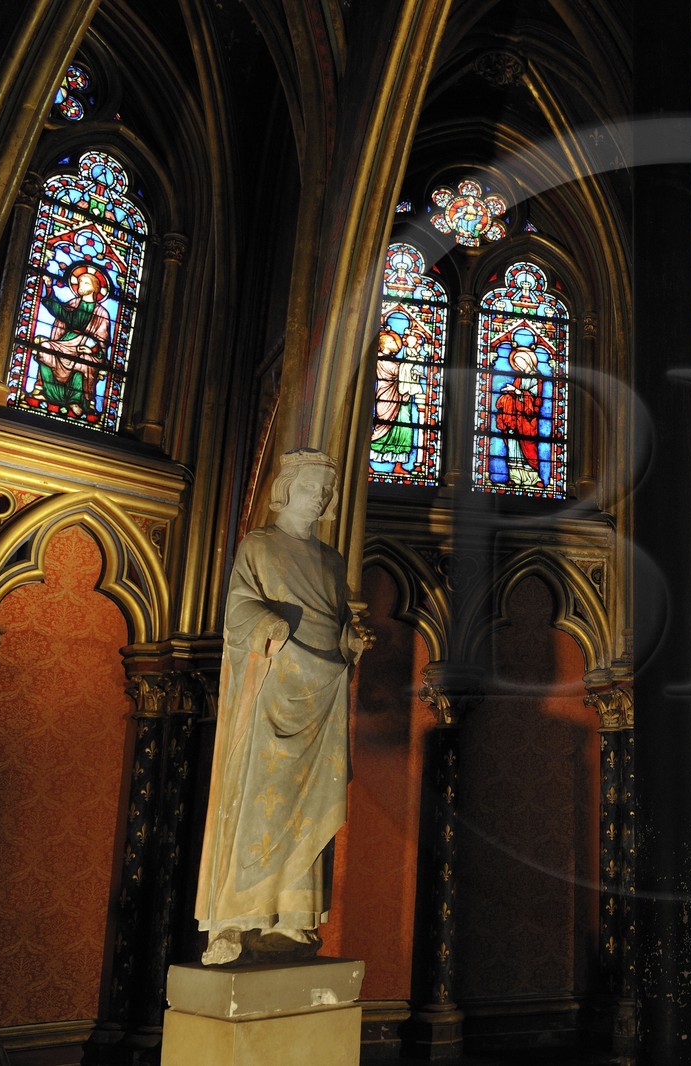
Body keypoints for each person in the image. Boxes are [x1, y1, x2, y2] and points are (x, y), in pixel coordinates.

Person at [195, 449, 367, 965]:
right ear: (287, 488)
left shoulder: (333, 562)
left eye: (327, 490)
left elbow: (335, 624)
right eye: (313, 486)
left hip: (322, 696)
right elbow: (239, 607)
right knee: (255, 805)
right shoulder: (259, 546)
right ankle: (237, 920)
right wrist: (269, 627)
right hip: (274, 690)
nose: (321, 497)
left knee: (310, 808)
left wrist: (351, 640)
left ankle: (292, 920)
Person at [35, 262, 112, 418]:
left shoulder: (102, 313)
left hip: (85, 346)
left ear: (95, 287)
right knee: (44, 347)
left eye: (85, 282)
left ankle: (75, 400)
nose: (80, 285)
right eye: (79, 281)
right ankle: (47, 391)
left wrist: (93, 350)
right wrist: (49, 288)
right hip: (66, 342)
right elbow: (60, 312)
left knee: (83, 363)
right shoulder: (73, 304)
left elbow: (103, 341)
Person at [370, 326, 425, 474]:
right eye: (390, 341)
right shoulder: (381, 360)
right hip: (387, 399)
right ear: (383, 344)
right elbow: (398, 371)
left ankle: (398, 466)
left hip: (402, 400)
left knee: (404, 430)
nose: (395, 343)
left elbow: (402, 370)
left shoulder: (393, 361)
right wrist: (411, 360)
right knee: (382, 429)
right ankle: (368, 464)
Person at [495, 346, 545, 489]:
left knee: (528, 447)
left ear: (527, 361)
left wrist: (516, 391)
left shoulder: (537, 377)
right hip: (514, 421)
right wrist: (508, 395)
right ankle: (515, 478)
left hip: (527, 421)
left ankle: (533, 479)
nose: (518, 366)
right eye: (516, 364)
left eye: (520, 362)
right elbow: (516, 395)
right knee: (513, 447)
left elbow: (535, 400)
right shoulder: (519, 378)